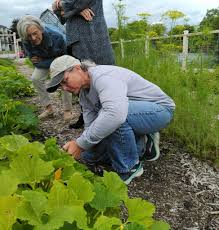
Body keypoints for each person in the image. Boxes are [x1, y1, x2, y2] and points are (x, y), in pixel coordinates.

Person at [46, 55, 175, 184]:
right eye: (60, 86)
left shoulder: (102, 77)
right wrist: (83, 149)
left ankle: (130, 167)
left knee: (111, 116)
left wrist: (80, 144)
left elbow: (115, 114)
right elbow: (91, 127)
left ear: (77, 68)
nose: (65, 88)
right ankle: (144, 144)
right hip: (135, 114)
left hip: (160, 110)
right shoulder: (84, 96)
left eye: (65, 81)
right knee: (89, 155)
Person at [52, 0, 115, 128]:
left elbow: (78, 3)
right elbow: (62, 17)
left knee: (100, 75)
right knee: (80, 79)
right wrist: (72, 10)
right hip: (76, 41)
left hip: (93, 37)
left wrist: (59, 5)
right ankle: (86, 116)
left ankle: (110, 117)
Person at [17, 15, 73, 121]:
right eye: (29, 36)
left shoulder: (58, 37)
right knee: (35, 78)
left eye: (35, 33)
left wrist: (43, 60)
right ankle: (48, 108)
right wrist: (50, 60)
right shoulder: (26, 41)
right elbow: (36, 63)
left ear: (40, 29)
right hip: (49, 61)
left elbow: (65, 59)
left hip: (61, 62)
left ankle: (67, 109)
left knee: (65, 78)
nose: (33, 38)